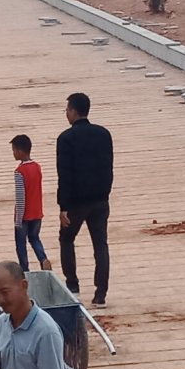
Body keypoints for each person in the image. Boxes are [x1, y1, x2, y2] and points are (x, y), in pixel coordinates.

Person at [54, 91, 114, 307]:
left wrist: (63, 206)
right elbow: (108, 167)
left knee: (66, 239)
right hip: (100, 200)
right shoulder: (104, 134)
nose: (66, 114)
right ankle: (101, 293)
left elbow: (64, 174)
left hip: (76, 203)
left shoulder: (65, 139)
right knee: (100, 245)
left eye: (67, 110)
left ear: (73, 111)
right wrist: (105, 193)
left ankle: (72, 285)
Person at [10, 134, 50, 273]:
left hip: (24, 216)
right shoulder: (37, 167)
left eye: (14, 150)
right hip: (37, 213)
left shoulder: (19, 172)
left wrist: (18, 220)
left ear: (20, 151)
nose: (13, 153)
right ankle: (43, 259)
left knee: (21, 245)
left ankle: (25, 270)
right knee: (34, 238)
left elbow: (20, 198)